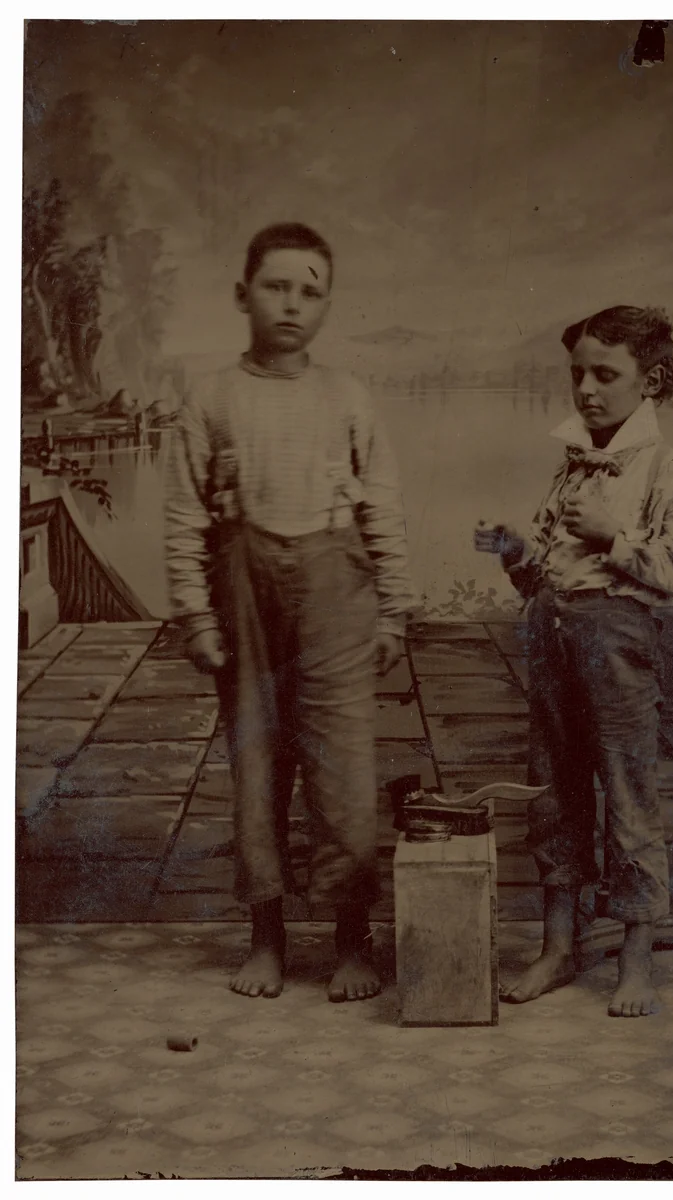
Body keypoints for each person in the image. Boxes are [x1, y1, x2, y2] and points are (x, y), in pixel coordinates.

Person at [164, 223, 415, 1002]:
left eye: (310, 292)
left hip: (336, 593)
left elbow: (383, 510)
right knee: (257, 767)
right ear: (243, 295)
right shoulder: (211, 397)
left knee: (343, 772)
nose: (292, 305)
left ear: (327, 305)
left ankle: (352, 940)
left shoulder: (348, 397)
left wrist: (395, 612)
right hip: (244, 598)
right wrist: (196, 617)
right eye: (276, 287)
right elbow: (182, 521)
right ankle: (266, 939)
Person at [475, 305, 673, 1017]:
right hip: (553, 639)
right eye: (577, 372)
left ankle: (635, 959)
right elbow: (547, 568)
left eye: (605, 374)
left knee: (628, 796)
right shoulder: (573, 464)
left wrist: (615, 538)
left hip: (617, 648)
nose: (585, 389)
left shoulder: (665, 468)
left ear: (652, 381)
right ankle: (556, 946)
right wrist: (519, 554)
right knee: (553, 792)